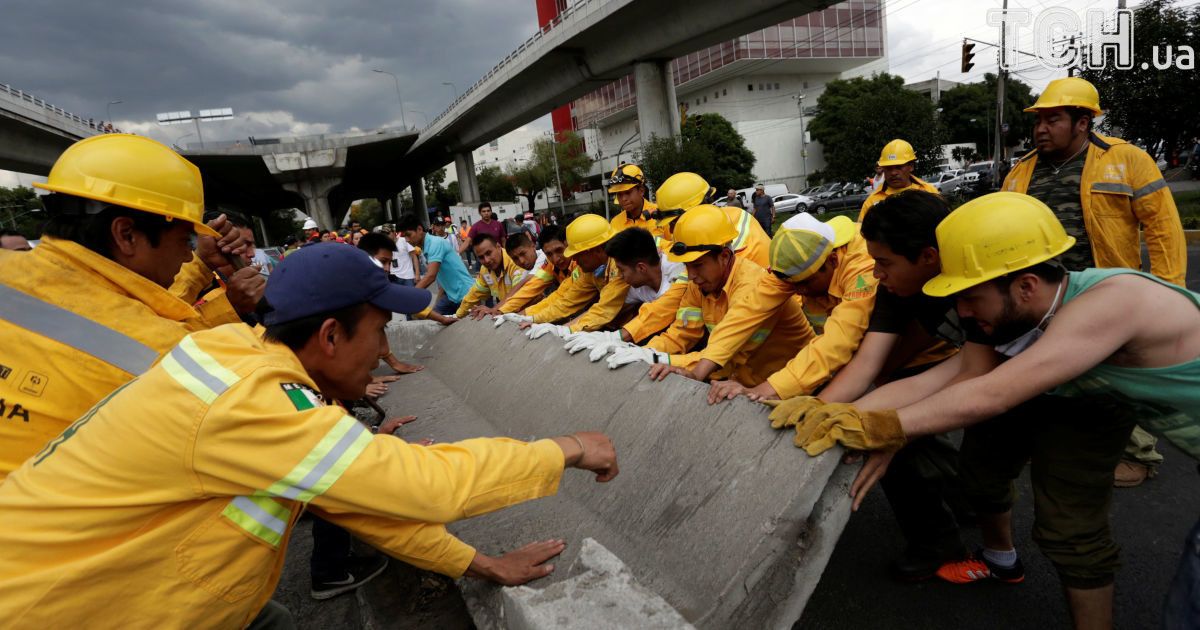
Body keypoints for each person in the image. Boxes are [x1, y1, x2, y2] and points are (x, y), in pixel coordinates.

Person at [0, 242, 620, 628]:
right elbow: (418, 485)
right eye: (377, 334)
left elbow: (358, 502)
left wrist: (482, 564)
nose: (382, 355)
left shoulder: (234, 352)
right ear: (328, 336)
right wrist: (565, 449)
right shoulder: (256, 402)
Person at [782, 192, 1200, 628]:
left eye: (970, 299)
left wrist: (883, 429)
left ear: (1026, 285)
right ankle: (1001, 561)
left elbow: (990, 393)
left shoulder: (1114, 302)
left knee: (1083, 539)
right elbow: (960, 374)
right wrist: (835, 415)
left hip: (1084, 412)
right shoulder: (1023, 312)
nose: (960, 312)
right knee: (983, 475)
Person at [0, 134, 250, 482]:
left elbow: (124, 312)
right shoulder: (158, 354)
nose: (185, 255)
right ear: (126, 234)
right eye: (184, 241)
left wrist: (202, 267)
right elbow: (147, 336)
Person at [764, 191, 968, 581]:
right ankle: (960, 508)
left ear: (929, 257)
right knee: (886, 434)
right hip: (932, 363)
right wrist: (822, 410)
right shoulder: (896, 285)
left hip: (970, 366)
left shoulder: (976, 288)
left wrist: (883, 421)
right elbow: (868, 364)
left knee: (900, 442)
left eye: (884, 263)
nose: (877, 274)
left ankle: (968, 528)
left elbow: (977, 376)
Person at [1001, 76, 1185, 487]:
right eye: (1038, 121)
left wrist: (1167, 289)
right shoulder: (1022, 171)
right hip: (1046, 297)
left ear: (1083, 122)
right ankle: (1060, 445)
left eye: (1053, 120)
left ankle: (1139, 455)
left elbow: (1163, 227)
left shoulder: (1126, 160)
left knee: (1119, 373)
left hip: (1107, 293)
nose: (1041, 129)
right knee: (1055, 373)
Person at [605, 206, 816, 386]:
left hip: (797, 384)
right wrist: (640, 352)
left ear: (724, 257)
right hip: (747, 385)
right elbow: (681, 333)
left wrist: (655, 358)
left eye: (697, 265)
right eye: (686, 266)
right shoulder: (699, 284)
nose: (691, 275)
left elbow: (727, 354)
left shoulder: (752, 285)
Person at [705, 211, 880, 404]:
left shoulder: (863, 267)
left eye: (806, 283)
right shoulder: (799, 263)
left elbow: (838, 340)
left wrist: (761, 391)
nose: (799, 291)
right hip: (849, 369)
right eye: (793, 284)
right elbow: (747, 311)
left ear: (832, 261)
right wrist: (699, 369)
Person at [495, 214, 632, 339]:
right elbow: (564, 300)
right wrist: (529, 317)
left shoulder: (621, 266)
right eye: (549, 254)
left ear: (596, 249)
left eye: (577, 254)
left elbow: (603, 310)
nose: (574, 259)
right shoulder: (589, 270)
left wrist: (565, 330)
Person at [561, 227, 689, 359]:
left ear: (641, 268)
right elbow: (605, 308)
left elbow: (659, 311)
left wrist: (616, 337)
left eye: (622, 270)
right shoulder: (635, 284)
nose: (620, 276)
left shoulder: (678, 273)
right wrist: (566, 330)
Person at [397, 214, 474, 316]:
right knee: (433, 317)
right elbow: (441, 277)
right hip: (451, 296)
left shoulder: (435, 243)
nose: (406, 240)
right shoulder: (425, 248)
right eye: (404, 236)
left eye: (408, 235)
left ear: (419, 229)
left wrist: (410, 295)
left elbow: (431, 276)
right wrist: (436, 305)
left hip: (465, 294)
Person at [857, 139, 939, 222]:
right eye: (888, 168)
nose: (893, 173)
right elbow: (861, 233)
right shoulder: (872, 202)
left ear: (911, 166)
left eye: (898, 167)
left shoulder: (929, 192)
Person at [498, 225, 573, 314]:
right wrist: (501, 310)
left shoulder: (578, 263)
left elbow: (559, 298)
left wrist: (523, 314)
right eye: (549, 254)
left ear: (567, 244)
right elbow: (530, 289)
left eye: (559, 250)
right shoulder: (549, 265)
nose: (555, 259)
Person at [456, 233, 532, 320]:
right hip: (510, 316)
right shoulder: (484, 270)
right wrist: (457, 316)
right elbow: (473, 295)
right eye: (481, 257)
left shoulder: (515, 262)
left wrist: (494, 309)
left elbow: (519, 298)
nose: (486, 260)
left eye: (488, 253)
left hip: (530, 316)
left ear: (498, 247)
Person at [607, 163, 665, 238]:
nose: (624, 198)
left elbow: (673, 245)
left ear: (641, 191)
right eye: (619, 194)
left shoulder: (661, 214)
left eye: (628, 192)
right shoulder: (615, 223)